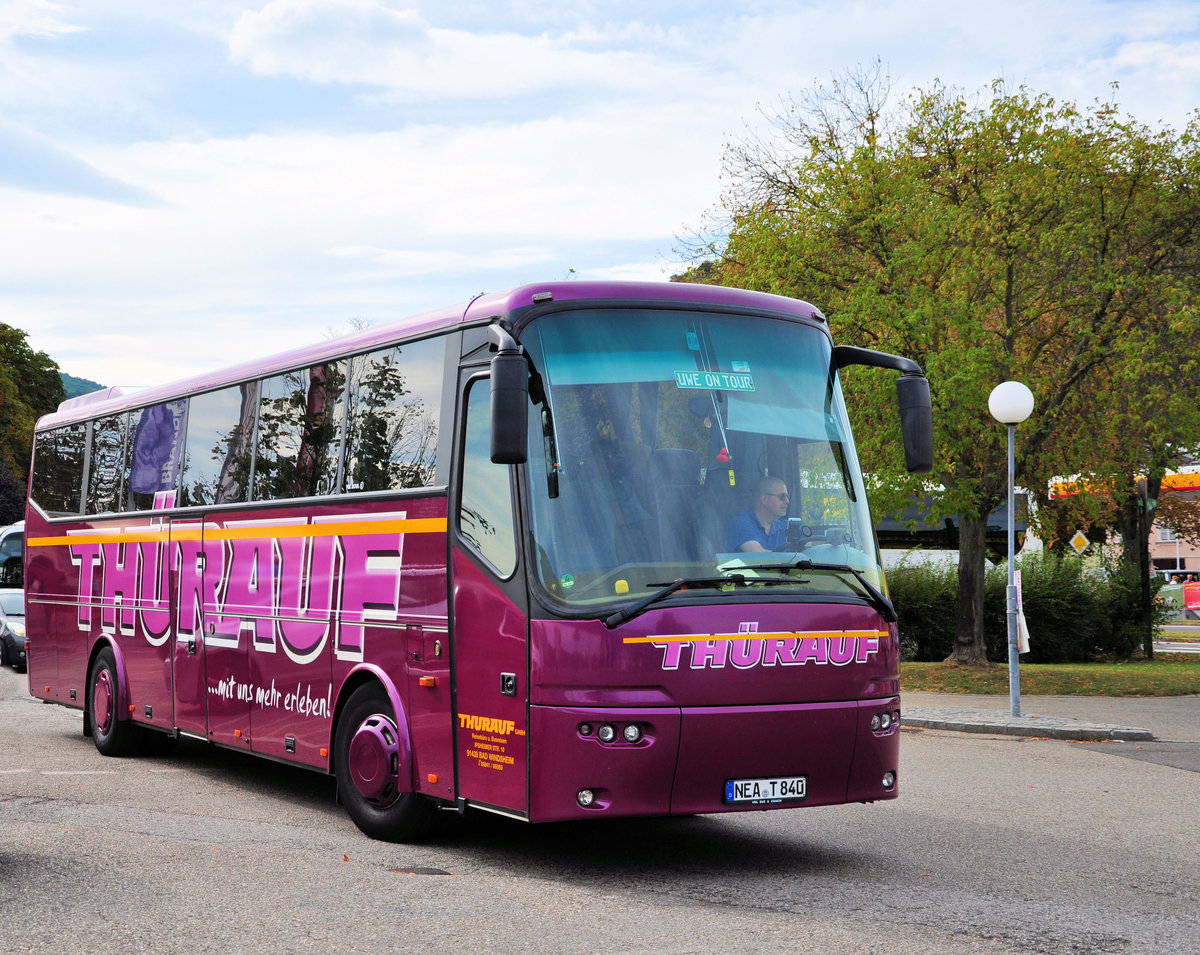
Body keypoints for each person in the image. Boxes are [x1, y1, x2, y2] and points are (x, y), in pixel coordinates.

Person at [726, 476, 790, 552]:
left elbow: (807, 546)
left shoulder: (785, 526)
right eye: (782, 497)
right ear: (764, 499)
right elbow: (758, 556)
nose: (787, 501)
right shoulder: (741, 524)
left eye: (787, 496)